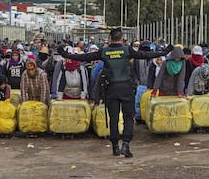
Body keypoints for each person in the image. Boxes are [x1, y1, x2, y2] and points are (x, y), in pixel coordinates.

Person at [58, 27, 173, 158]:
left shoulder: (104, 52)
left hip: (111, 89)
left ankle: (115, 146)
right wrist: (165, 51)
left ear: (110, 39)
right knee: (128, 117)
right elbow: (145, 55)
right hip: (126, 88)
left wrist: (65, 54)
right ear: (122, 38)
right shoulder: (127, 50)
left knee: (113, 118)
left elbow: (84, 56)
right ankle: (126, 144)